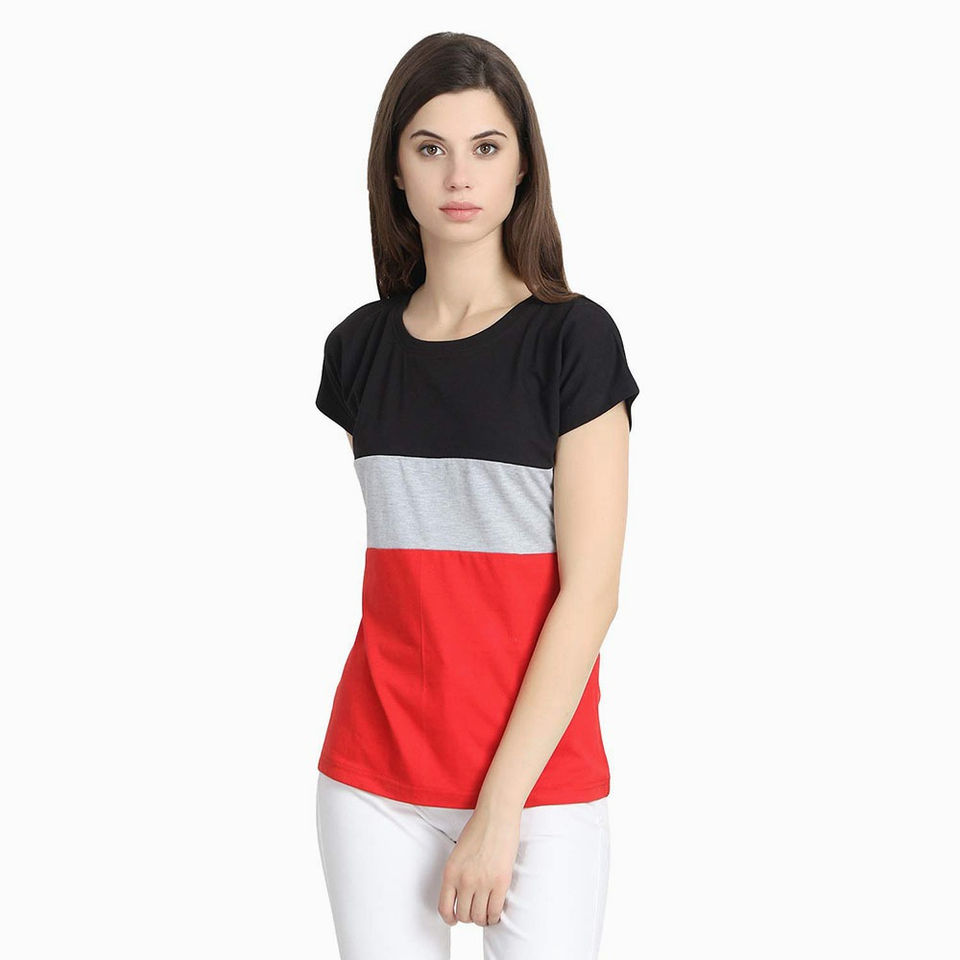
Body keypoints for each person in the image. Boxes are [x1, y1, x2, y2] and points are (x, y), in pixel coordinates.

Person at [312, 31, 639, 960]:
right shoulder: (357, 352)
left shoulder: (574, 343)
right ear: (395, 170)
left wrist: (499, 810)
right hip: (373, 778)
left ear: (522, 165)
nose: (459, 175)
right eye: (430, 147)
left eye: (486, 147)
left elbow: (591, 594)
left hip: (541, 788)